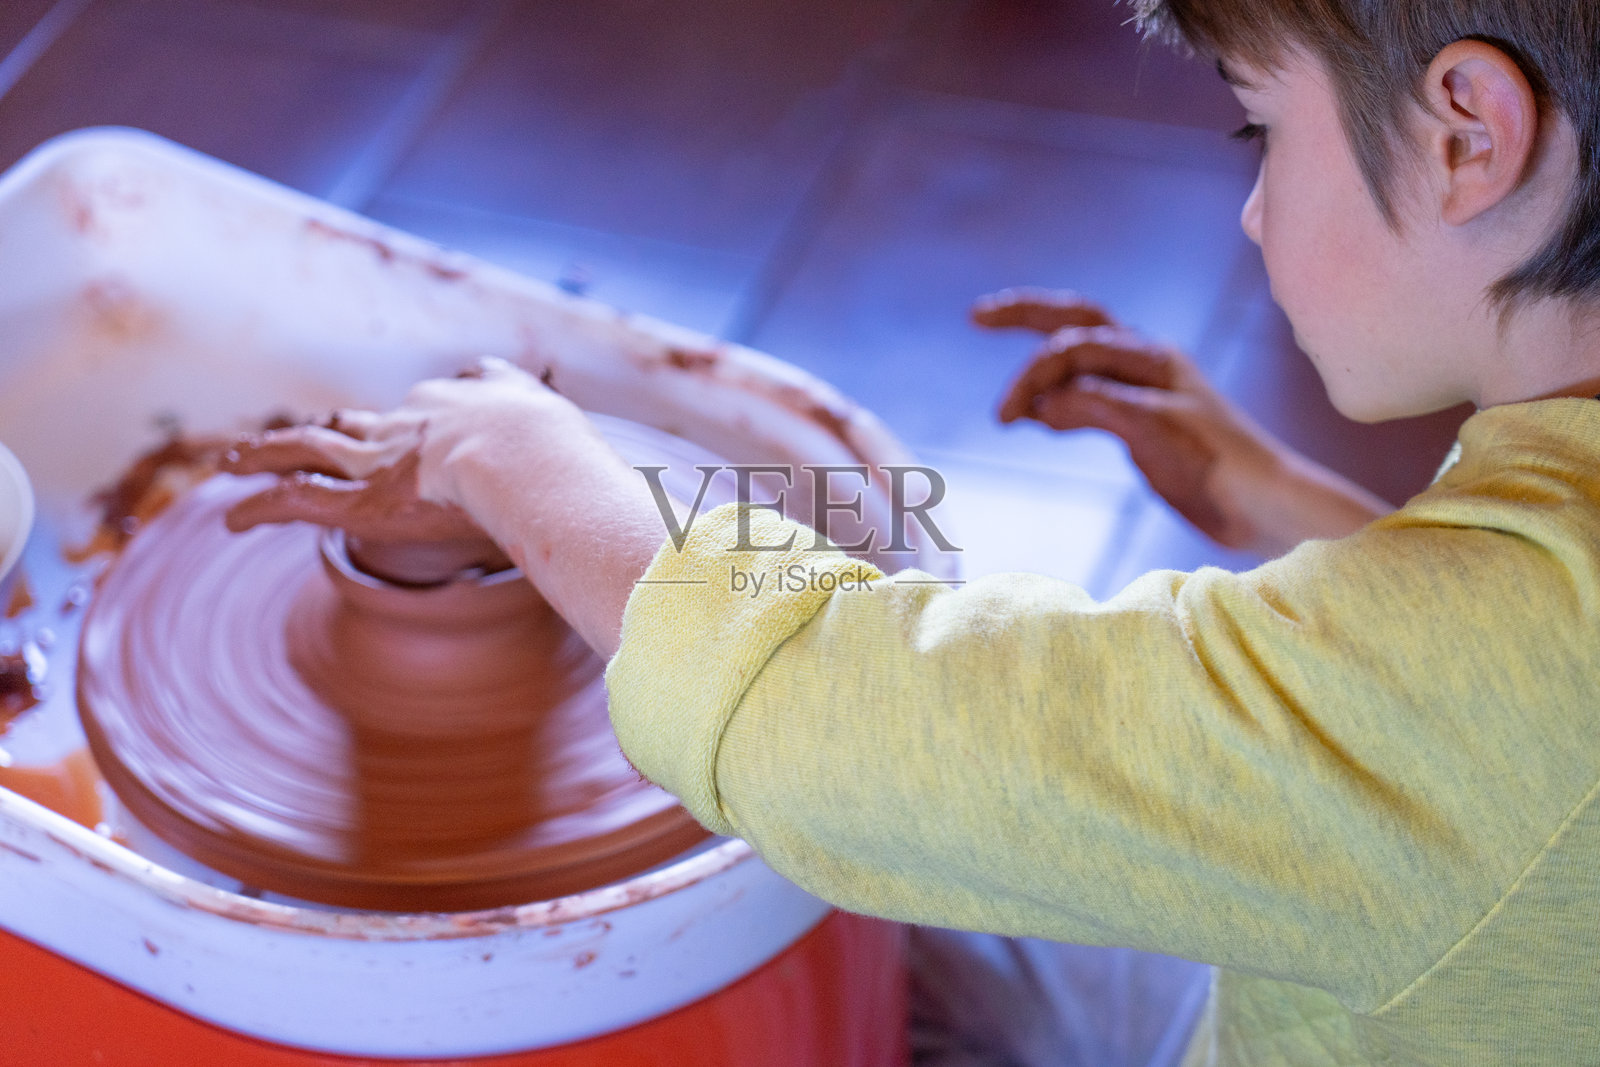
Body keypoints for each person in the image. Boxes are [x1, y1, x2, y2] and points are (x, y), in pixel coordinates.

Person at [227, 0, 1600, 1062]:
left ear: (1466, 134)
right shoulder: (1525, 626)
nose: (1251, 208)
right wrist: (1283, 508)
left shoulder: (1498, 676)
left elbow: (839, 711)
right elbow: (1481, 736)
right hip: (1392, 986)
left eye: (1262, 131)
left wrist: (506, 459)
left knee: (866, 884)